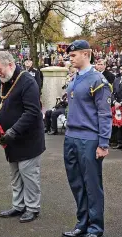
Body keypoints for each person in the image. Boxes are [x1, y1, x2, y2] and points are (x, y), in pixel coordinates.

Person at [0, 51, 45, 223]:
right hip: (9, 138)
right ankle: (18, 205)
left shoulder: (27, 81)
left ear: (10, 64)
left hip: (27, 138)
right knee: (15, 173)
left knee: (28, 174)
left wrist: (14, 131)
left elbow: (32, 111)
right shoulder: (2, 81)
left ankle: (32, 208)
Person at [62, 40, 112, 237]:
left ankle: (95, 228)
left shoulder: (98, 80)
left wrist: (103, 143)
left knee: (92, 185)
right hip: (71, 137)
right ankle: (82, 224)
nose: (70, 58)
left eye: (74, 55)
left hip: (89, 139)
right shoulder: (75, 78)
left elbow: (104, 114)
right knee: (77, 184)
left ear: (86, 54)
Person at [111, 65, 122, 149]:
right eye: (121, 69)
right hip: (117, 106)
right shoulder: (116, 80)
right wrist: (115, 102)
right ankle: (119, 142)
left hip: (121, 104)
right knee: (118, 123)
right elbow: (112, 93)